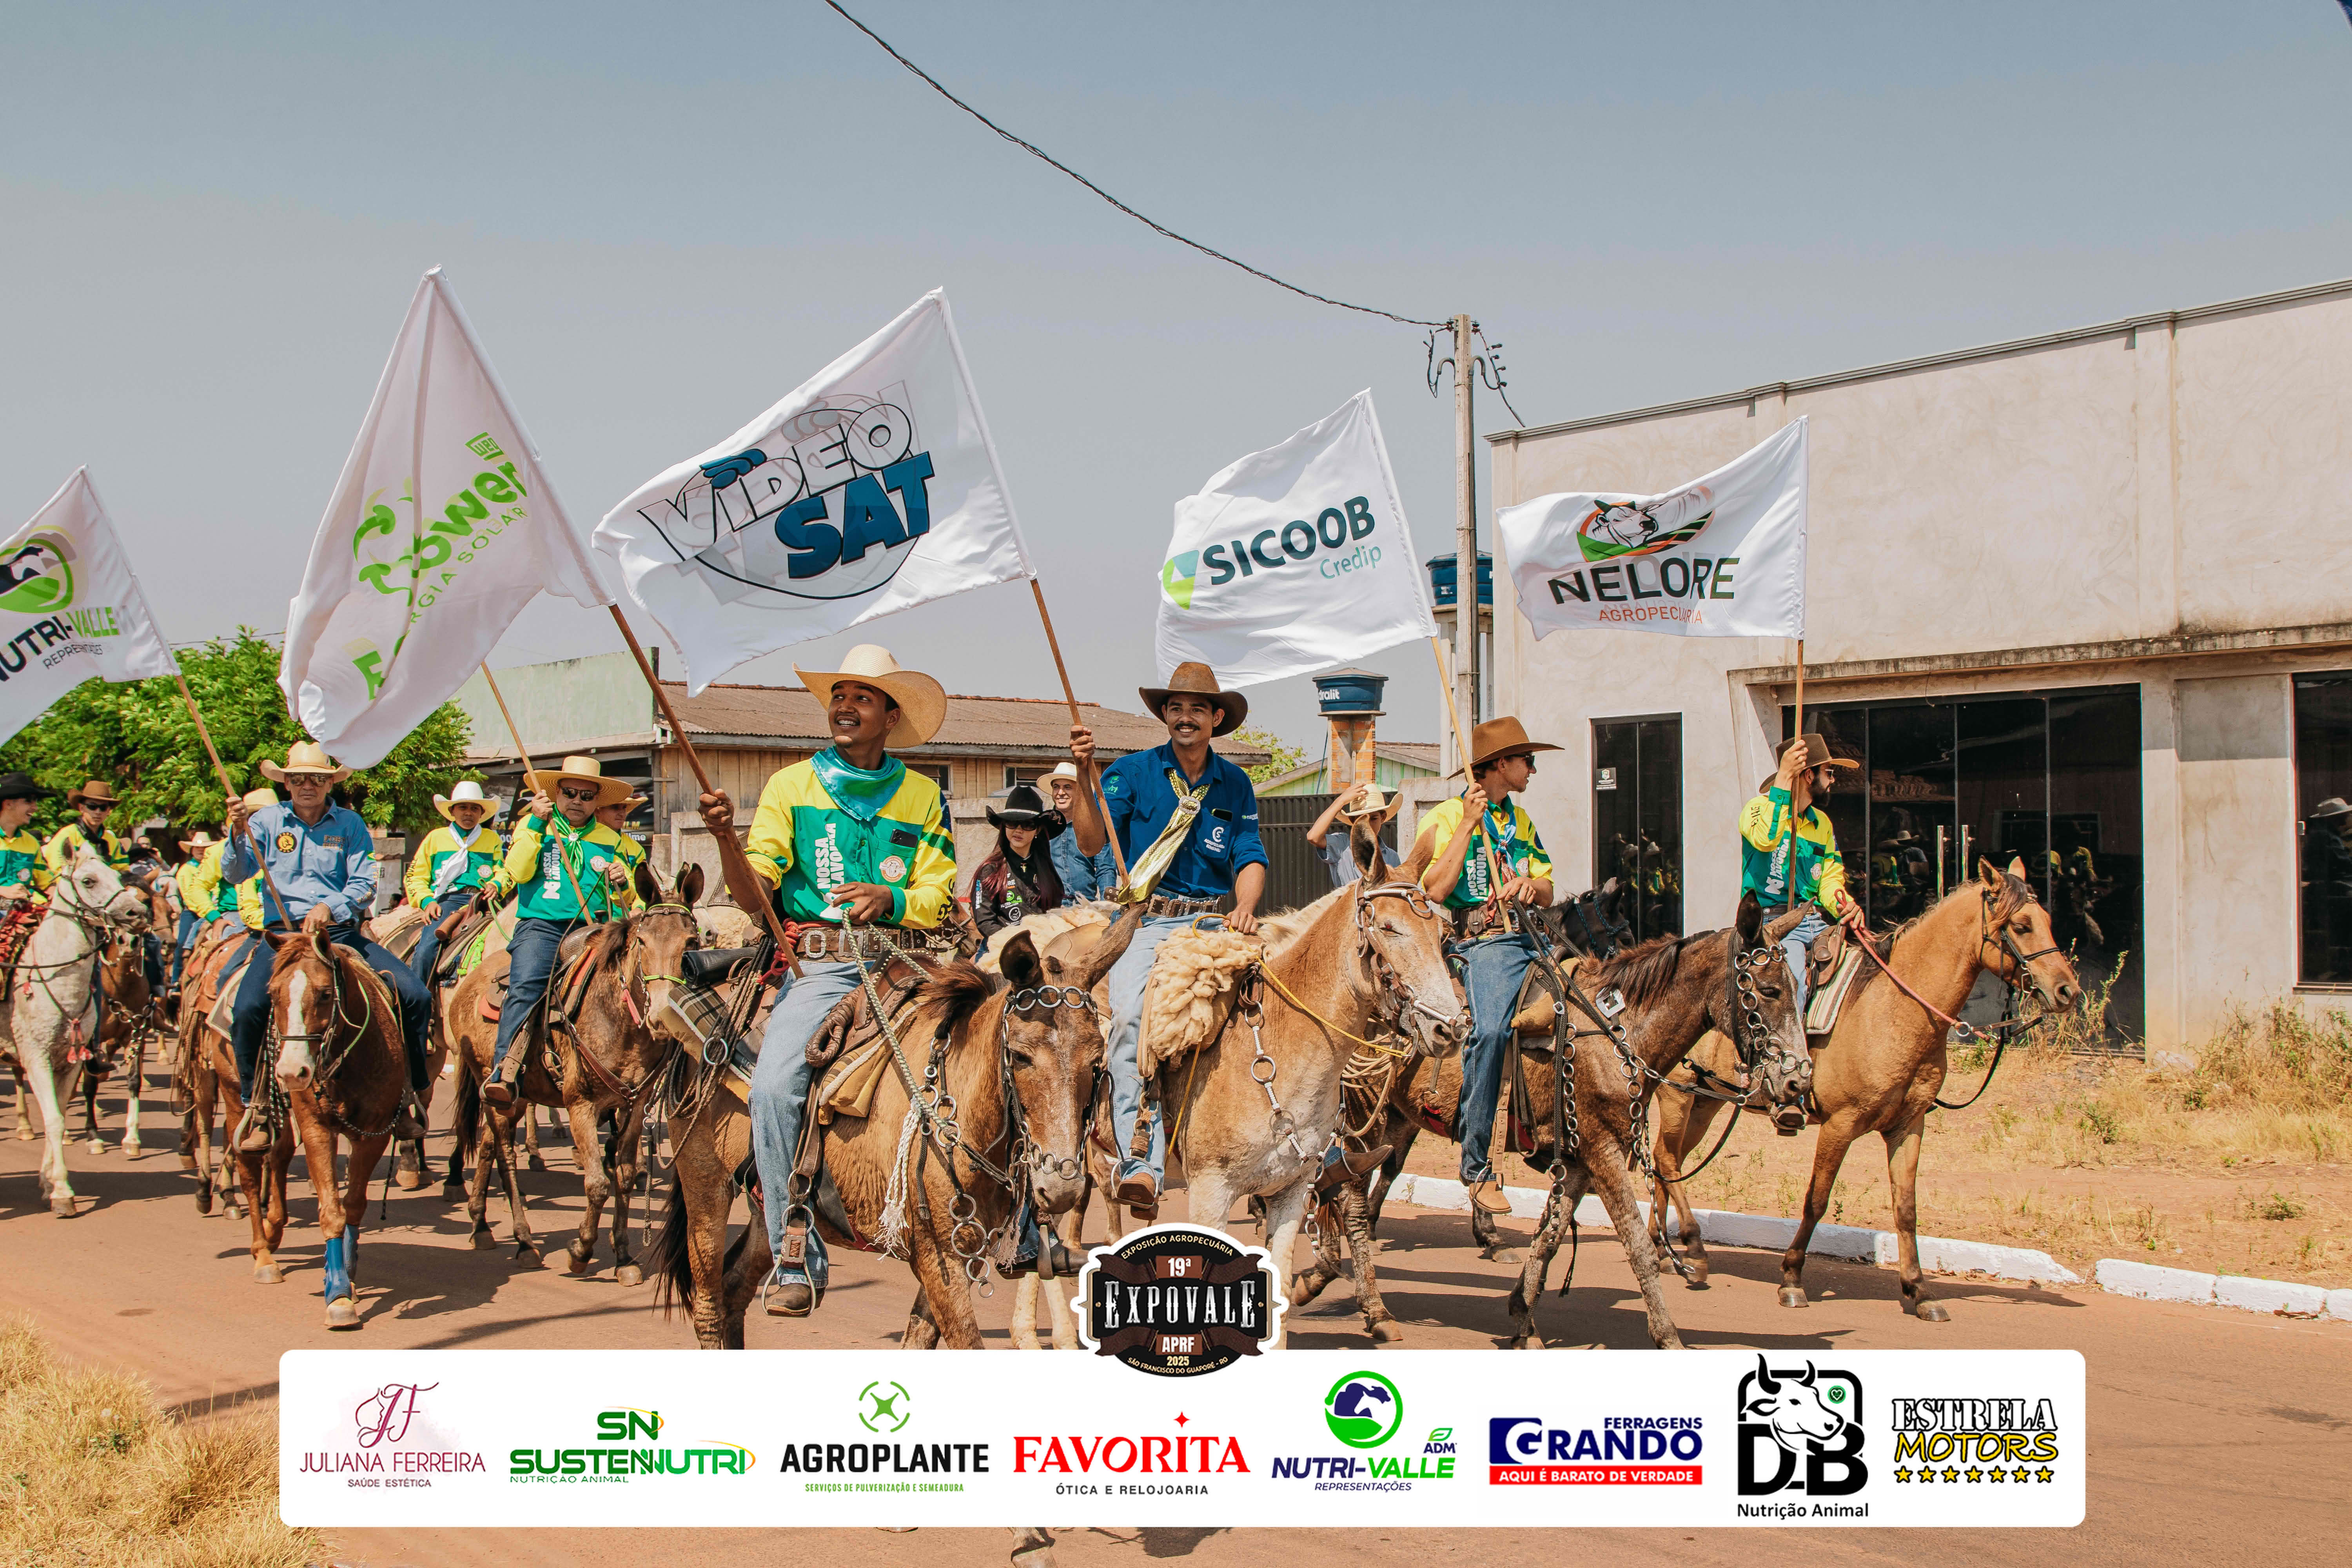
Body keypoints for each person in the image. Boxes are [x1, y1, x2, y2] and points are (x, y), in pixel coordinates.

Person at [694, 644, 957, 1316]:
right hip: (824, 966)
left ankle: (1017, 1216)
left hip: (907, 960)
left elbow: (938, 892)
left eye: (862, 697)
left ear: (890, 717)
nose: (845, 706)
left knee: (1010, 1046)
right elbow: (756, 894)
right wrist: (725, 840)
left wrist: (893, 898)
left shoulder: (924, 795)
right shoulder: (790, 786)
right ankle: (796, 1247)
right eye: (839, 695)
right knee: (774, 1088)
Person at [1065, 661, 1268, 1218]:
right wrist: (1084, 776)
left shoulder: (1235, 782)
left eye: (1197, 709)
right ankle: (1142, 1164)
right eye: (1175, 708)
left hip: (1212, 921)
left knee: (1280, 1000)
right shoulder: (1131, 772)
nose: (1185, 717)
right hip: (1146, 921)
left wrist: (1246, 907)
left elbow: (1249, 854)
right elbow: (1090, 842)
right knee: (1133, 1023)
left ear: (1216, 718)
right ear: (1165, 716)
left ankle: (1295, 1145)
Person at [222, 744, 431, 1152]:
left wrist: (330, 907)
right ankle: (256, 1105)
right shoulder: (264, 821)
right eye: (298, 778)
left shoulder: (350, 824)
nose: (307, 785)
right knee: (246, 1009)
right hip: (283, 938)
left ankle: (409, 1093)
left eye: (317, 778)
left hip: (338, 934)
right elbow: (236, 872)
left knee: (415, 996)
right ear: (286, 783)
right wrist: (236, 833)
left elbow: (364, 884)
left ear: (329, 783)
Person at [1415, 715, 1559, 1216]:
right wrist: (1469, 825)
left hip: (1531, 937)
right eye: (1527, 760)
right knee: (1493, 1031)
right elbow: (1435, 889)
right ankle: (1477, 1166)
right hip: (1479, 944)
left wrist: (1527, 886)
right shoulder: (1446, 816)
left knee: (1591, 1013)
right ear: (1500, 764)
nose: (1532, 770)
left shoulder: (1522, 821)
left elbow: (1548, 887)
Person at [473, 756, 640, 1106]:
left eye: (587, 796)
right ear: (557, 795)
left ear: (597, 801)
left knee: (635, 981)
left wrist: (622, 882)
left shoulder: (610, 838)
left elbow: (627, 897)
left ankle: (636, 1069)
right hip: (542, 926)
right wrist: (536, 823)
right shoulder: (534, 825)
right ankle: (506, 1069)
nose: (578, 801)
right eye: (570, 793)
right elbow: (518, 872)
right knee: (526, 986)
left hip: (595, 930)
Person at [1740, 733, 1861, 1078]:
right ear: (1809, 775)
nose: (1833, 781)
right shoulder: (1757, 809)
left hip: (1814, 919)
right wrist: (1783, 779)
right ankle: (1783, 1067)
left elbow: (1829, 878)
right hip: (1772, 923)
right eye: (1829, 773)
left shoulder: (1822, 823)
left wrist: (1845, 906)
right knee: (1791, 976)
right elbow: (1765, 840)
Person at [404, 780, 504, 983]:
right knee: (425, 951)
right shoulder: (435, 838)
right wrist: (427, 902)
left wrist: (496, 884)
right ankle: (417, 996)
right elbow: (414, 876)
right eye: (463, 807)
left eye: (474, 808)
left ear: (481, 813)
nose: (469, 813)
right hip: (448, 902)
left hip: (484, 901)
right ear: (452, 811)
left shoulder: (492, 839)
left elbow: (502, 870)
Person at [971, 784, 1064, 937]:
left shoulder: (1047, 870)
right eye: (1012, 823)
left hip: (1044, 942)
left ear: (1038, 830)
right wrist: (1016, 942)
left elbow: (1055, 911)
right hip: (1003, 945)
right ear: (1004, 826)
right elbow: (985, 921)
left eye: (1028, 824)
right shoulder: (990, 870)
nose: (1019, 830)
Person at [0, 773, 55, 973]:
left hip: (23, 912)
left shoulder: (31, 843)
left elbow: (46, 882)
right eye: (29, 801)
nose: (35, 807)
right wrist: (3, 891)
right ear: (8, 804)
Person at [1043, 761, 1116, 902]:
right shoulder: (1042, 828)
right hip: (1051, 905)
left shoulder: (1094, 828)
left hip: (1085, 904)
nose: (1061, 793)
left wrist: (1108, 905)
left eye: (1067, 787)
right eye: (1056, 787)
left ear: (1079, 792)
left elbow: (1105, 869)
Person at [1306, 782, 1402, 889]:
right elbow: (1313, 837)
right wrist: (1341, 801)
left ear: (1383, 818)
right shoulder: (1342, 845)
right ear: (1353, 821)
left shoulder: (1392, 857)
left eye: (1374, 819)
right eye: (1362, 819)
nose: (1368, 825)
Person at [42, 779, 131, 877]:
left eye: (103, 808)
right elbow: (58, 872)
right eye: (92, 806)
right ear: (81, 808)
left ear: (108, 811)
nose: (98, 812)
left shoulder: (114, 842)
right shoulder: (67, 836)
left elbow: (123, 872)